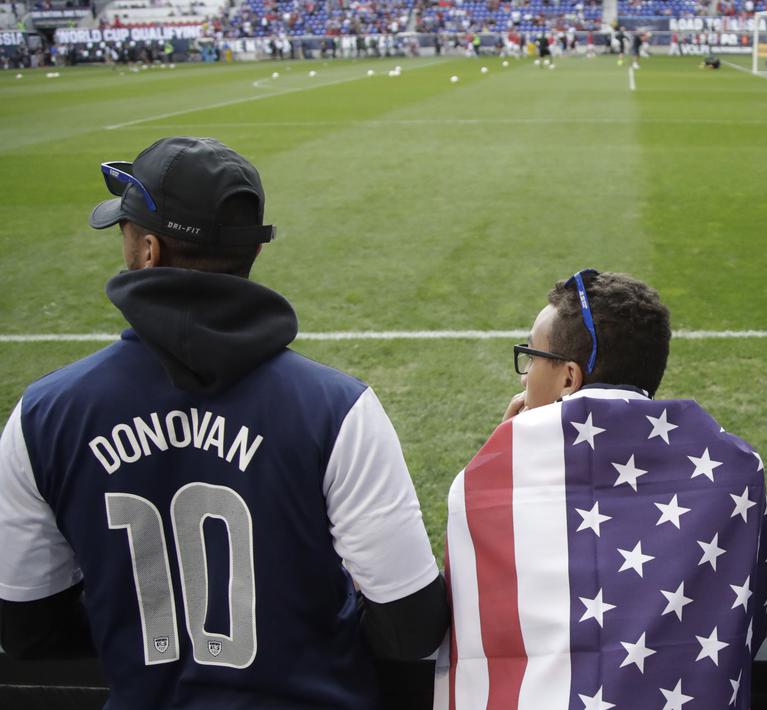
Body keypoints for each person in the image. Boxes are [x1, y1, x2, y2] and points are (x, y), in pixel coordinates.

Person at [0, 137, 447, 708]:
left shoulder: (44, 415)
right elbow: (410, 623)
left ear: (147, 252)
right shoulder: (338, 409)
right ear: (252, 254)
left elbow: (27, 630)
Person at [434, 271, 767, 709]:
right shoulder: (738, 469)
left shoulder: (485, 483)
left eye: (531, 357)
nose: (523, 377)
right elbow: (753, 621)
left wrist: (503, 458)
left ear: (569, 377)